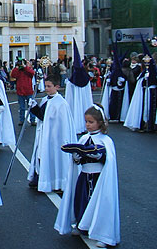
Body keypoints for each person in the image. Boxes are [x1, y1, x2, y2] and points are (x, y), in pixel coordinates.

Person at [55, 104, 120, 248]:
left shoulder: (106, 141)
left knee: (98, 203)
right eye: (86, 121)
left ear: (100, 123)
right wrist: (77, 155)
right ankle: (82, 225)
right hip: (84, 176)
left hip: (99, 178)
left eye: (91, 122)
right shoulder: (83, 139)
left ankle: (103, 233)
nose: (88, 125)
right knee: (81, 200)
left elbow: (106, 159)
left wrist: (94, 153)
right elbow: (78, 159)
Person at [27, 75, 76, 192]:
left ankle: (55, 181)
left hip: (55, 137)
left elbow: (49, 118)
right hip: (44, 134)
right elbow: (42, 115)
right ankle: (39, 177)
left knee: (52, 157)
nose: (46, 89)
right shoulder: (45, 100)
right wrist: (34, 107)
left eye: (49, 86)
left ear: (57, 87)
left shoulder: (61, 103)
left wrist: (35, 109)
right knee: (40, 155)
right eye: (46, 86)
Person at [124, 38, 157, 132]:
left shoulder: (153, 71)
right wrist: (144, 80)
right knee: (145, 109)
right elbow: (139, 81)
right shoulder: (144, 73)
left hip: (153, 91)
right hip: (145, 92)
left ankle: (153, 125)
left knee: (153, 109)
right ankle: (144, 124)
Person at [65, 39, 94, 135]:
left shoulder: (75, 77)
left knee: (77, 108)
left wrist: (68, 83)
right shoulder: (84, 76)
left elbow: (70, 86)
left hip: (76, 98)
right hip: (84, 99)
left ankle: (78, 124)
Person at [100, 47, 129, 122]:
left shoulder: (121, 71)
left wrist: (121, 82)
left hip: (119, 90)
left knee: (119, 104)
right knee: (113, 103)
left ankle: (118, 116)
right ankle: (113, 116)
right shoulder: (113, 71)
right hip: (114, 90)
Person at [11, 58, 36, 126]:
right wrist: (16, 67)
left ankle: (32, 119)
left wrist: (25, 67)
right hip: (20, 91)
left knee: (31, 106)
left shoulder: (28, 70)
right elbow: (13, 75)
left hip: (28, 91)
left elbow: (32, 73)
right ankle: (21, 120)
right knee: (22, 107)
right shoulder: (18, 71)